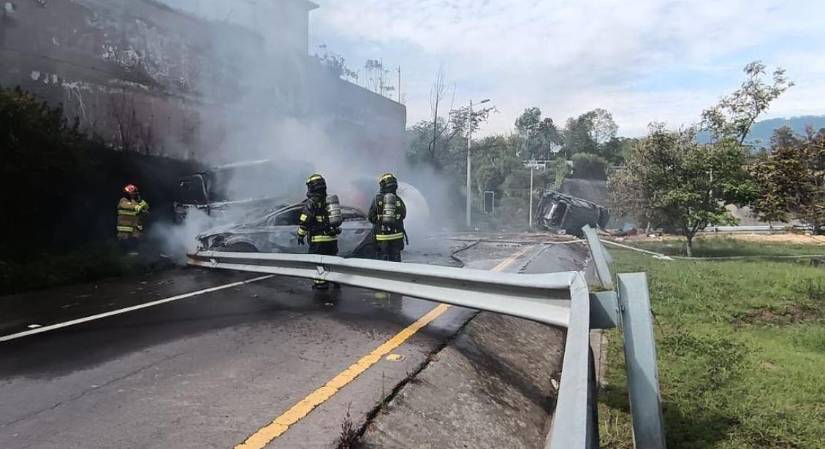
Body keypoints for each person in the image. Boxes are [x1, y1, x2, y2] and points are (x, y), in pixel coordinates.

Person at [297, 174, 341, 289]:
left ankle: (320, 283)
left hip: (318, 240)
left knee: (318, 262)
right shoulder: (329, 200)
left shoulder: (312, 202)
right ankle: (335, 280)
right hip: (332, 238)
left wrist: (300, 234)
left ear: (312, 187)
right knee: (332, 260)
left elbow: (305, 220)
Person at [368, 173, 407, 262]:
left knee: (383, 264)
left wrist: (380, 220)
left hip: (382, 238)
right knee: (396, 263)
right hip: (397, 238)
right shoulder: (398, 200)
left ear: (382, 185)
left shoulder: (377, 199)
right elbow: (403, 215)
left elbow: (371, 217)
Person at [117, 184, 150, 254]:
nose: (135, 194)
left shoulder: (135, 201)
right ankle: (124, 255)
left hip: (134, 227)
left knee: (135, 244)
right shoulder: (123, 200)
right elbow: (130, 206)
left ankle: (133, 255)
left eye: (135, 193)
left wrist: (140, 200)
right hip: (125, 227)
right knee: (125, 244)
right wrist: (139, 208)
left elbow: (146, 207)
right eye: (133, 193)